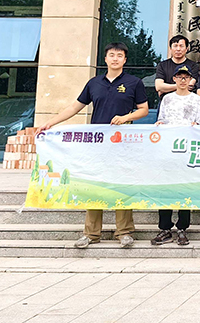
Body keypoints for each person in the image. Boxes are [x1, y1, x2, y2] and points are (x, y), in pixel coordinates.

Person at [37, 43, 149, 249]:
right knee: (94, 185)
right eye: (111, 55)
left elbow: (143, 109)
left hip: (123, 144)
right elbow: (74, 107)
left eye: (120, 56)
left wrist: (125, 118)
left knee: (122, 185)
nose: (115, 59)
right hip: (96, 144)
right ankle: (91, 233)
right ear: (105, 59)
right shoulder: (94, 83)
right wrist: (50, 123)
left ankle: (124, 232)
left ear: (125, 60)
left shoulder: (134, 82)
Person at [151, 65, 200, 246]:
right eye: (179, 77)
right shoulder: (167, 99)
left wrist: (196, 126)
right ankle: (165, 228)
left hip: (187, 150)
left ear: (190, 80)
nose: (182, 80)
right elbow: (161, 119)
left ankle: (182, 228)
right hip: (168, 149)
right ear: (174, 79)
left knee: (185, 188)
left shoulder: (196, 99)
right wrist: (159, 125)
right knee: (165, 187)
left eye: (185, 77)